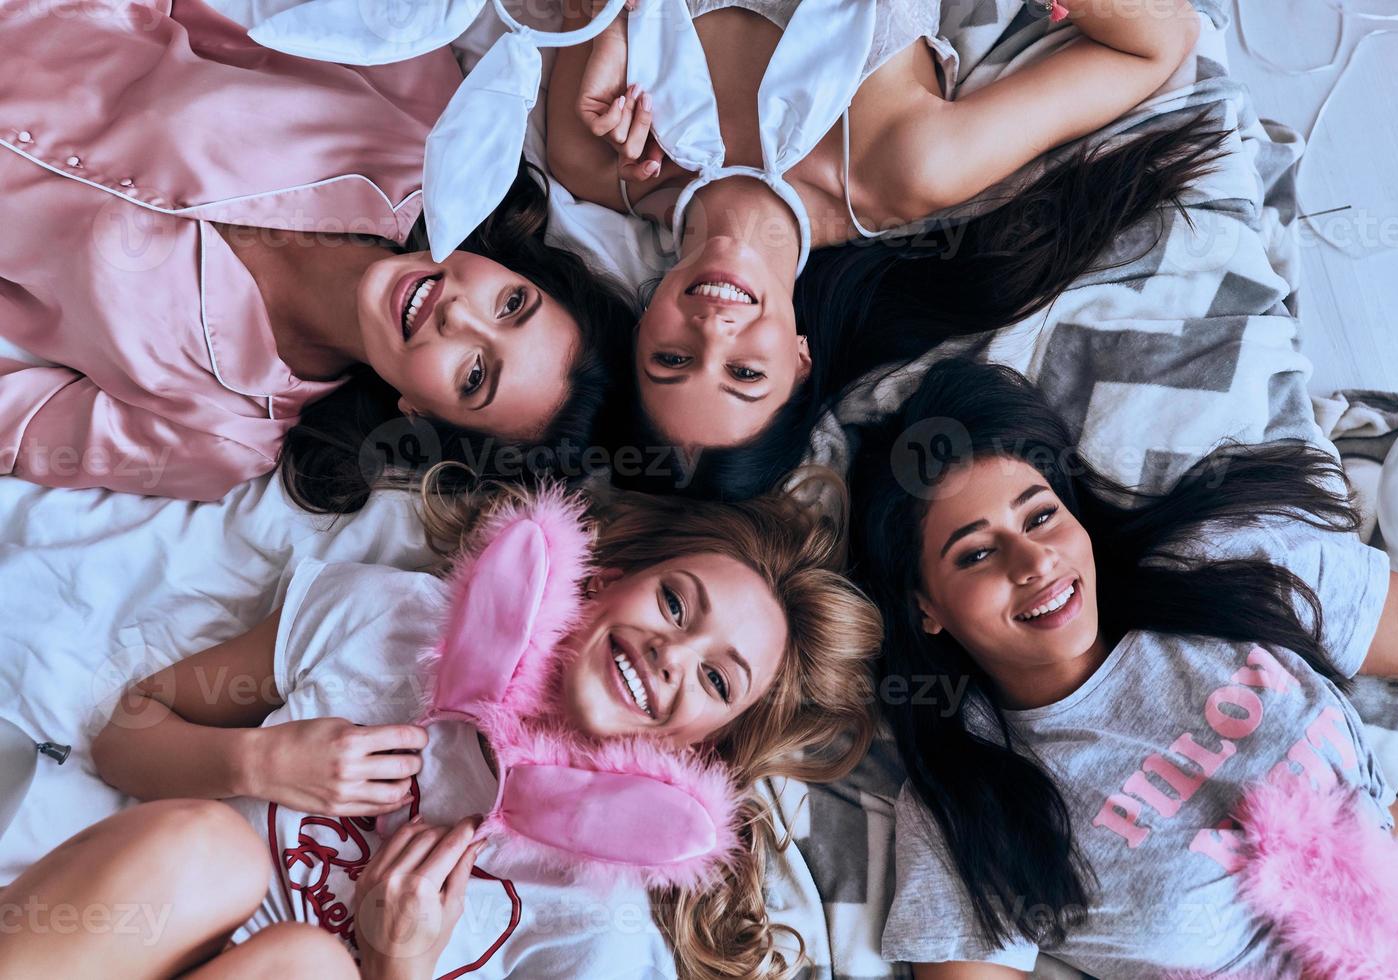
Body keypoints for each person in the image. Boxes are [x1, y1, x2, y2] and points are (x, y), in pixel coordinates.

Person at [0, 484, 880, 979]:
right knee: (207, 843)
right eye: (674, 602)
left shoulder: (597, 921)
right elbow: (124, 732)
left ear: (700, 755)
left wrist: (396, 964)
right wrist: (258, 758)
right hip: (118, 940)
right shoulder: (391, 621)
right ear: (602, 578)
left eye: (716, 678)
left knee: (311, 969)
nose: (670, 652)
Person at [848, 359, 1398, 978]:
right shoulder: (966, 804)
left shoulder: (1221, 568)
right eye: (977, 553)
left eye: (1040, 516)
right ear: (924, 607)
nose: (1033, 560)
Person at [546, 0, 1214, 497]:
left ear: (639, 333)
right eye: (745, 373)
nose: (714, 331)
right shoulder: (908, 169)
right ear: (801, 360)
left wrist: (602, 17)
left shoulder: (588, 149)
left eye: (673, 358)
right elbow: (1160, 44)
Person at [0, 0, 634, 507]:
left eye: (474, 375)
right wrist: (595, 33)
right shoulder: (425, 126)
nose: (459, 316)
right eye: (512, 303)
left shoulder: (225, 437)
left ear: (418, 414)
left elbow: (21, 424)